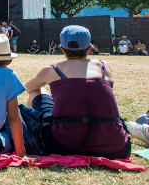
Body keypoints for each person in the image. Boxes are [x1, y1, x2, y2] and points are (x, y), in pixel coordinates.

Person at [24, 25, 131, 159]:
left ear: (62, 49)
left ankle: (27, 136)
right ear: (89, 48)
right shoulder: (103, 67)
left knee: (37, 91)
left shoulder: (53, 70)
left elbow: (28, 87)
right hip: (116, 147)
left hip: (64, 146)